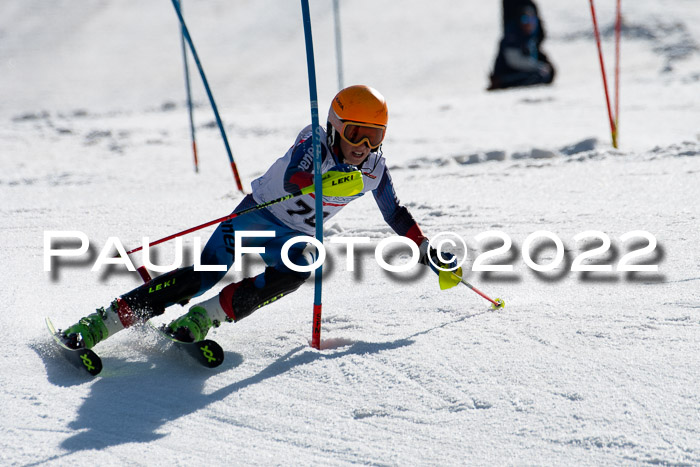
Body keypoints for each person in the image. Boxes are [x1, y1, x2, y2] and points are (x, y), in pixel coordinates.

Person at [60, 85, 454, 349]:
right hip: (257, 216)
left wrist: (423, 246)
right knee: (203, 275)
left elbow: (396, 213)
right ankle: (101, 323)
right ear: (336, 126)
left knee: (300, 268)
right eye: (355, 134)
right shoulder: (314, 140)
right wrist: (326, 180)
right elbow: (294, 177)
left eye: (375, 137)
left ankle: (204, 318)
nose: (363, 147)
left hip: (293, 236)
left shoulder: (374, 170)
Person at [488, 0, 555, 90]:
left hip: (525, 70)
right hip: (508, 74)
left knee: (545, 74)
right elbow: (514, 60)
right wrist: (538, 66)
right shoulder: (512, 35)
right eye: (525, 19)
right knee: (539, 74)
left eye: (532, 20)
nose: (529, 23)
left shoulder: (532, 36)